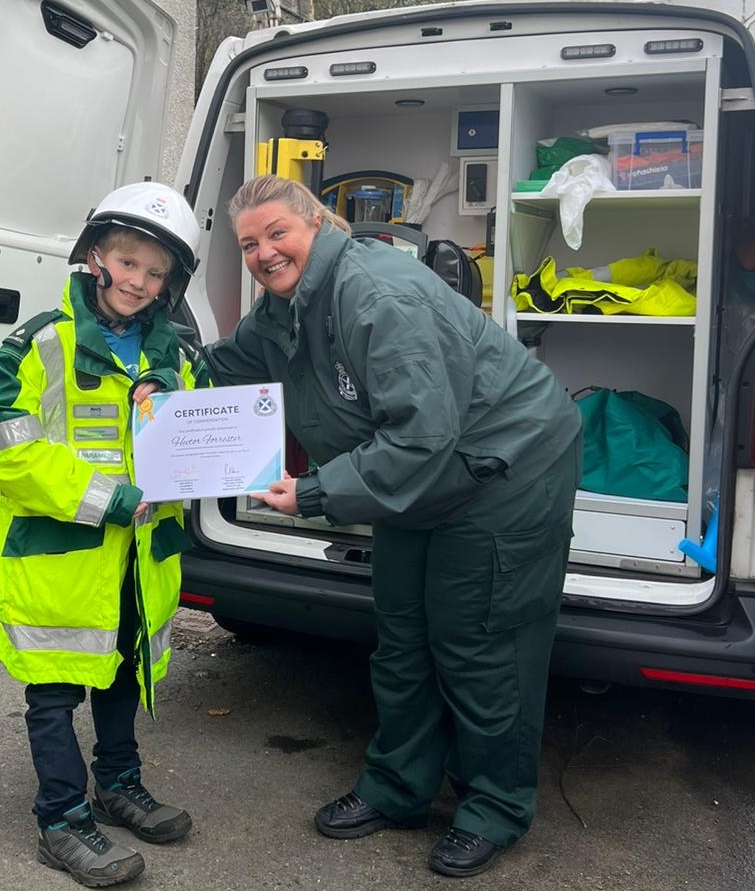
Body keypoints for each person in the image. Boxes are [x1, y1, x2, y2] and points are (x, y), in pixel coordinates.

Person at [202, 174, 582, 879]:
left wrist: (317, 490)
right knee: (402, 635)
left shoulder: (375, 293)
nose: (263, 252)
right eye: (248, 243)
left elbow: (421, 433)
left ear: (315, 224)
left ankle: (491, 807)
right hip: (419, 477)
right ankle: (398, 788)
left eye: (276, 232)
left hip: (503, 466)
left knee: (479, 643)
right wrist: (158, 378)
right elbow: (229, 365)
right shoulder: (283, 307)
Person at [0, 182, 201, 887]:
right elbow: (4, 447)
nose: (139, 281)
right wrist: (109, 498)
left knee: (123, 672)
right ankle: (61, 818)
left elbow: (192, 446)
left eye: (155, 272)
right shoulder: (39, 342)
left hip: (137, 566)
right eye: (128, 263)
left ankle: (118, 783)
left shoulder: (177, 357)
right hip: (58, 563)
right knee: (54, 692)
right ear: (94, 256)